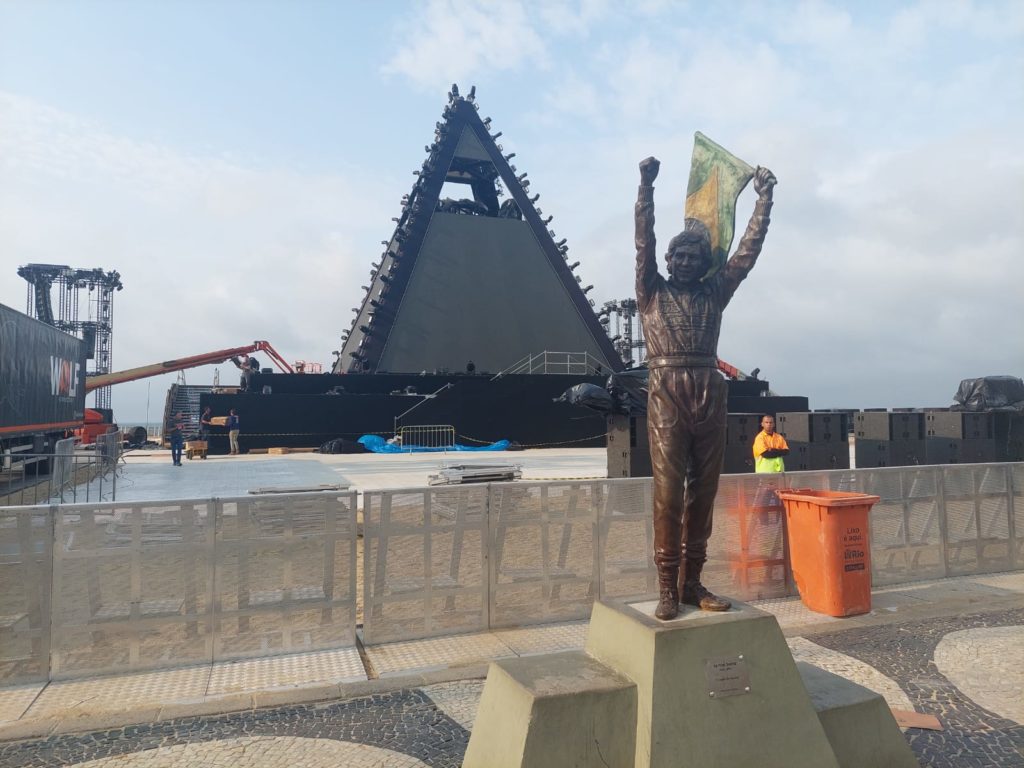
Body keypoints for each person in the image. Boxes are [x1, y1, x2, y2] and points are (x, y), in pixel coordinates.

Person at [635, 156, 776, 620]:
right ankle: (666, 586)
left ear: (703, 263)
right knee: (669, 492)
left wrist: (763, 200)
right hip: (667, 390)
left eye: (695, 257)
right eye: (679, 256)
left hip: (708, 391)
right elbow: (644, 240)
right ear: (669, 260)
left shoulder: (716, 293)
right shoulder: (651, 291)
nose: (686, 262)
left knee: (705, 492)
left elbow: (747, 255)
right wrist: (647, 187)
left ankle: (692, 581)